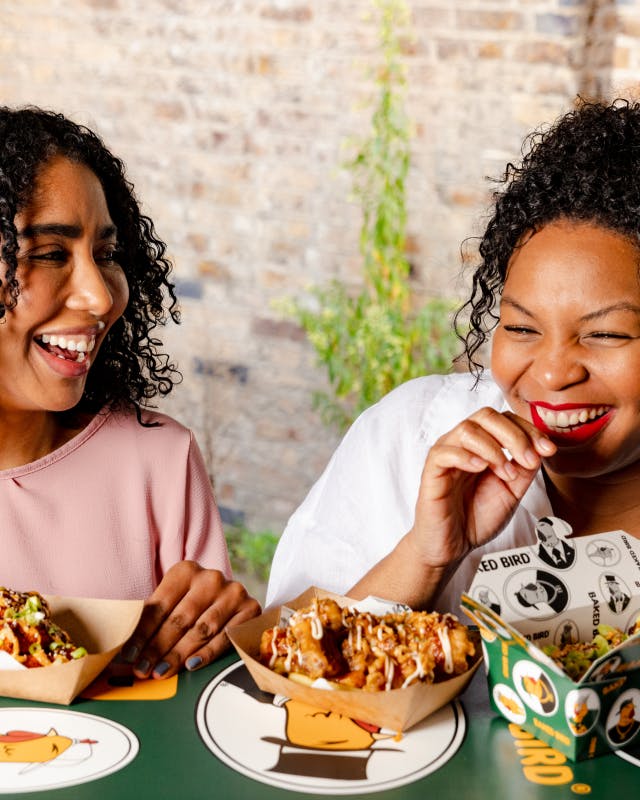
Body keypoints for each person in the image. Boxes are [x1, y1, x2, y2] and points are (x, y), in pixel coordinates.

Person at [266, 97, 640, 616]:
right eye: (521, 327)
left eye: (606, 335)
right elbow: (275, 658)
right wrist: (424, 556)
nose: (553, 372)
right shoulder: (409, 436)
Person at [0, 106, 260, 680]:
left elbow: (195, 720)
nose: (98, 296)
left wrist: (222, 634)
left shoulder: (158, 461)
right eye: (48, 254)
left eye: (107, 255)